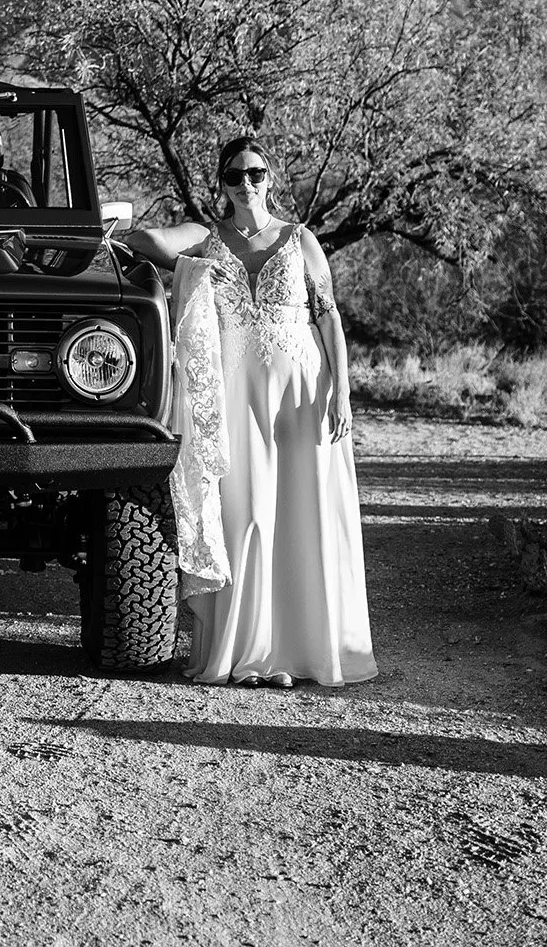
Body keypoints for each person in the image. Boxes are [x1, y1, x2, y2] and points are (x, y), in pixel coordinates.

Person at [126, 135, 376, 688]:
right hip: (236, 399)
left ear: (272, 176)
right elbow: (148, 240)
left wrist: (343, 389)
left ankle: (296, 653)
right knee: (249, 513)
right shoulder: (205, 238)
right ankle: (251, 650)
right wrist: (110, 228)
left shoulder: (301, 238)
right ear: (221, 184)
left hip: (302, 392)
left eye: (256, 173)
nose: (247, 184)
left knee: (301, 512)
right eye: (235, 176)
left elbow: (328, 316)